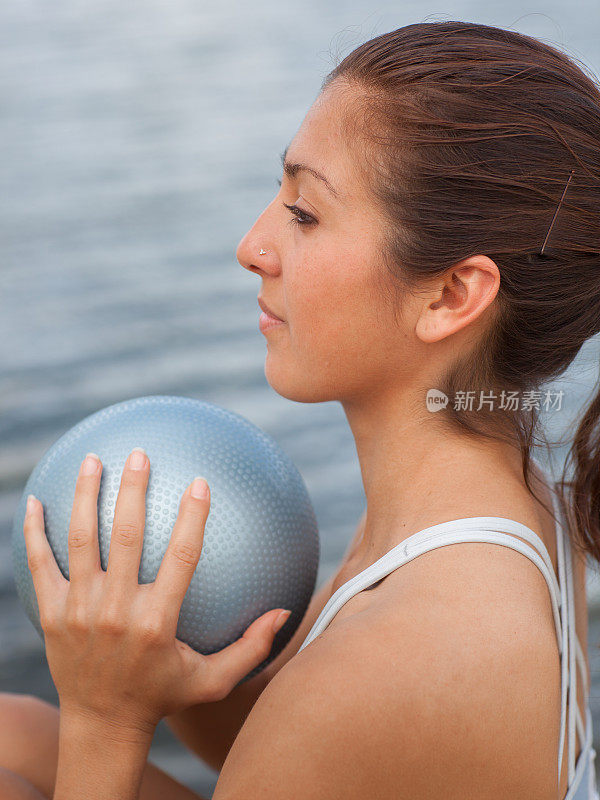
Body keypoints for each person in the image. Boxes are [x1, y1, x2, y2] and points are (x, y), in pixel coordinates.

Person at [2, 18, 600, 800]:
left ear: (452, 294)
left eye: (305, 214)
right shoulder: (492, 500)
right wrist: (154, 662)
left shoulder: (391, 655)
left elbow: (323, 725)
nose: (252, 246)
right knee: (14, 730)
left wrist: (104, 717)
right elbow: (295, 743)